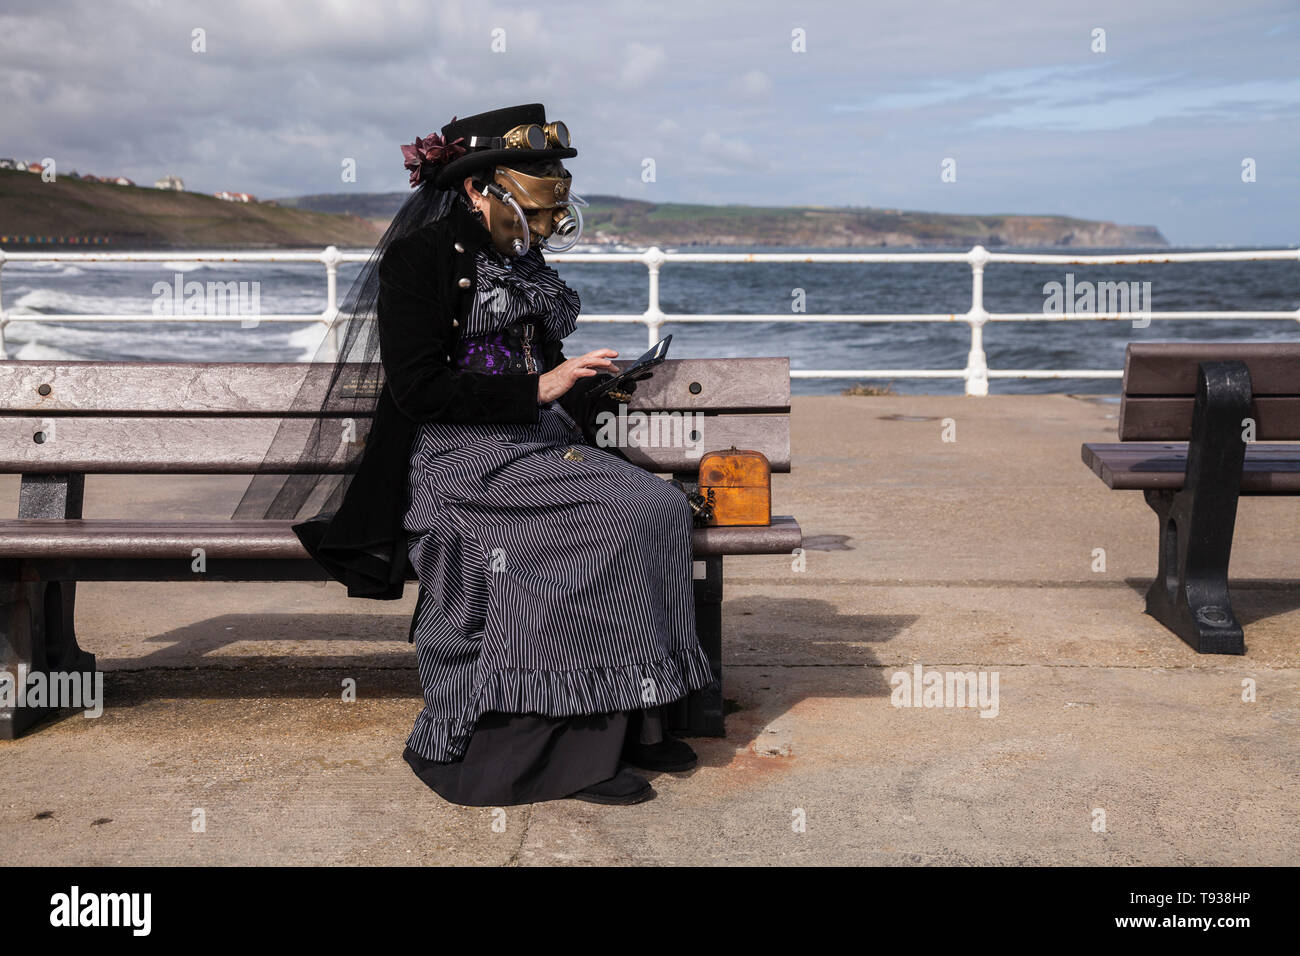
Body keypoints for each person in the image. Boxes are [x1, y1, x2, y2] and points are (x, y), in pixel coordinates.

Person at [268, 104, 715, 806]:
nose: (554, 183)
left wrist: (599, 392)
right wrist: (536, 388)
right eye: (537, 170)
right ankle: (558, 745)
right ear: (479, 186)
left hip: (534, 448)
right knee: (583, 530)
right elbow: (419, 389)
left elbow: (549, 364)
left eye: (556, 169)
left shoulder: (521, 261)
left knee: (655, 507)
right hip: (455, 461)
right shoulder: (418, 261)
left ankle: (635, 717)